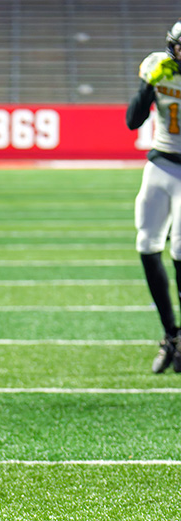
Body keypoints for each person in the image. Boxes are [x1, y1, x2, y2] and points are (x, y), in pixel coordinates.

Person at [127, 19, 181, 373]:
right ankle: (170, 335)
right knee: (147, 245)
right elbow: (133, 121)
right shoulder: (158, 67)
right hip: (160, 164)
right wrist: (148, 85)